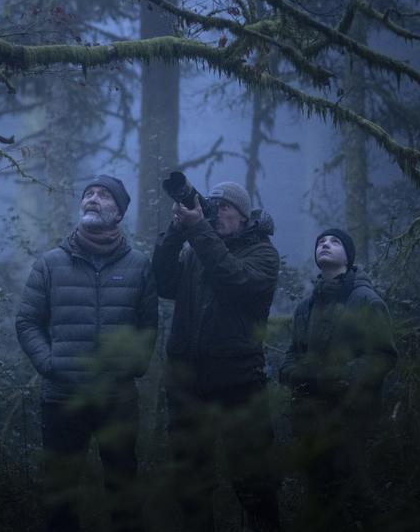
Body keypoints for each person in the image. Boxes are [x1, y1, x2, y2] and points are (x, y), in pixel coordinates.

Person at [15, 174, 158, 532]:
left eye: (103, 196)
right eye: (88, 194)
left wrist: (134, 365)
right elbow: (27, 322)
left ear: (119, 213)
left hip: (118, 398)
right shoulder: (50, 263)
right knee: (60, 495)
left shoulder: (139, 266)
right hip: (63, 397)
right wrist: (50, 365)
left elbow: (148, 326)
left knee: (124, 493)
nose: (92, 199)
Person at [153, 180, 281, 532]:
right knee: (190, 482)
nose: (218, 211)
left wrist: (198, 231)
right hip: (188, 380)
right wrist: (178, 231)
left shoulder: (263, 253)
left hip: (239, 379)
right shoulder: (197, 248)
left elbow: (233, 279)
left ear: (243, 215)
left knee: (253, 479)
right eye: (213, 205)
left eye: (226, 206)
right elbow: (163, 282)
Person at [280, 228, 396, 530]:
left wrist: (343, 377)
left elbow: (383, 355)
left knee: (357, 493)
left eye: (334, 242)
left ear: (348, 256)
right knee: (319, 498)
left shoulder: (365, 299)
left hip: (351, 418)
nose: (325, 245)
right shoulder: (306, 306)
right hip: (309, 418)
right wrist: (293, 373)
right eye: (320, 242)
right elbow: (293, 353)